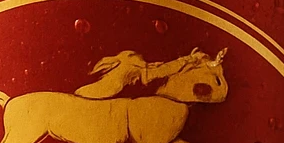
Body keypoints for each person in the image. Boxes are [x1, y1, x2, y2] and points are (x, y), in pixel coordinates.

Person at [74, 47, 208, 99]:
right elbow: (163, 70)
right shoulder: (134, 65)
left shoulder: (131, 63)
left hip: (93, 94)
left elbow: (161, 69)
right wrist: (189, 59)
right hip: (97, 96)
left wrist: (189, 59)